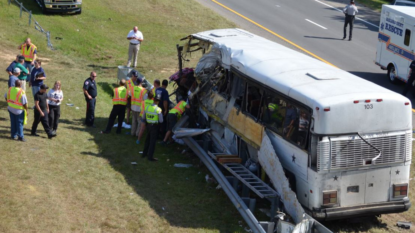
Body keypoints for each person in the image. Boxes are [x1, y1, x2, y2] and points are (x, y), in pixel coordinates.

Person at [141, 93, 163, 162]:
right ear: (158, 101)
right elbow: (161, 120)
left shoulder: (147, 107)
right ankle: (150, 157)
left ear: (153, 100)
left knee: (147, 140)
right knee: (152, 142)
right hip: (154, 126)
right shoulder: (158, 109)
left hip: (148, 125)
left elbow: (143, 117)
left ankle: (144, 154)